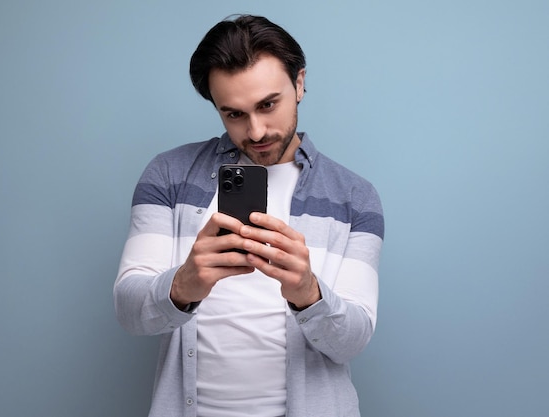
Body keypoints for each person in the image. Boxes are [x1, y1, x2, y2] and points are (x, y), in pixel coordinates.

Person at [114, 14, 384, 417]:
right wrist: (184, 284)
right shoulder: (168, 175)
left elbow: (352, 341)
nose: (256, 131)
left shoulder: (355, 198)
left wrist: (308, 293)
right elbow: (129, 312)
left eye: (268, 105)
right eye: (234, 114)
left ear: (299, 83)